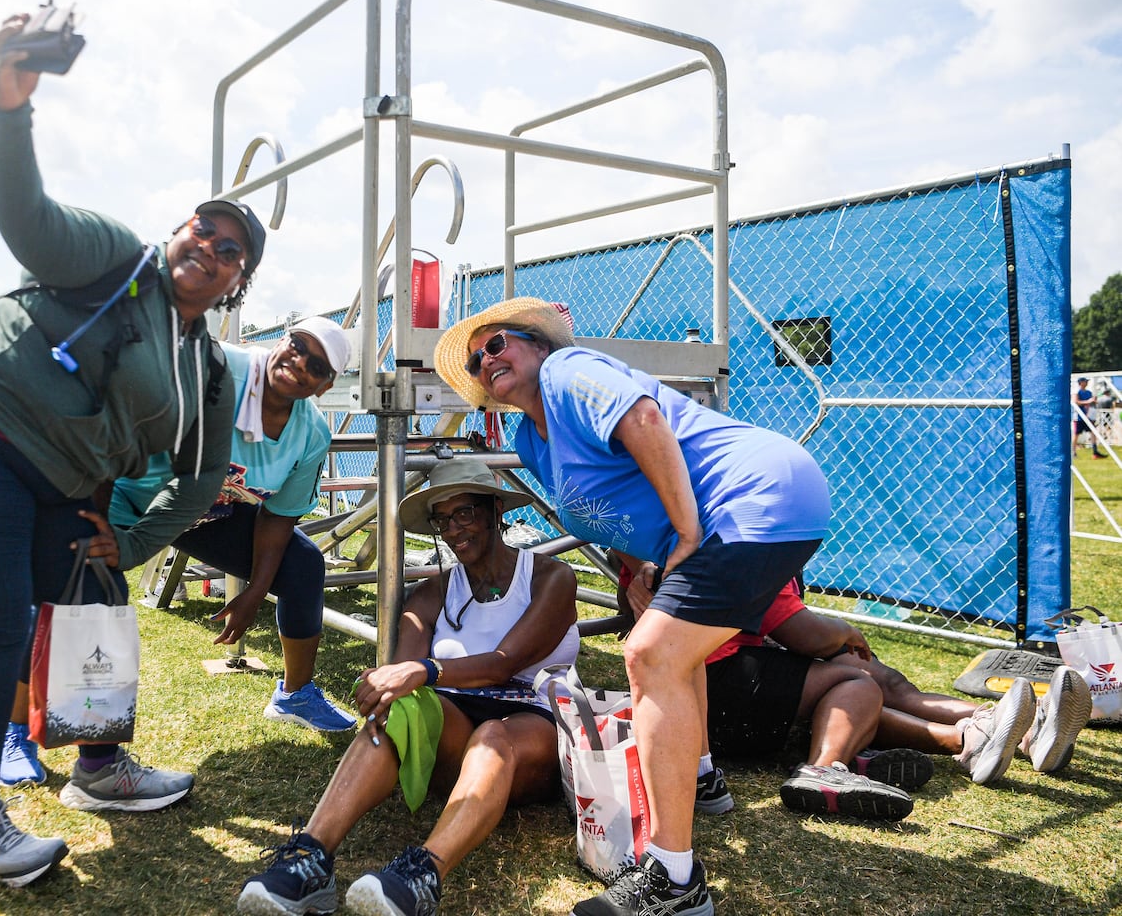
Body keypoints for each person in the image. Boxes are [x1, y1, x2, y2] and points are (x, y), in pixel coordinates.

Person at [0, 10, 266, 889]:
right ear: (179, 229)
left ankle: (98, 766)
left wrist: (138, 537)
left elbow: (200, 478)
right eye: (202, 227)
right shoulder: (118, 262)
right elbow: (25, 211)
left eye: (230, 248)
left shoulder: (210, 367)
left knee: (95, 580)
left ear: (240, 280)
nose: (209, 245)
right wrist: (10, 101)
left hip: (42, 476)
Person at [434, 298, 831, 916]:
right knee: (673, 649)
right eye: (475, 360)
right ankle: (700, 778)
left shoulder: (570, 373)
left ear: (538, 344)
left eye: (497, 343)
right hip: (737, 514)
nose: (486, 361)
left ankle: (673, 880)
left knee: (649, 656)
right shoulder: (530, 439)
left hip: (754, 496)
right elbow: (611, 502)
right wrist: (649, 562)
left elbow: (645, 421)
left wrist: (687, 534)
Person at [0, 315, 359, 789]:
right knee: (72, 585)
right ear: (281, 340)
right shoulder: (217, 369)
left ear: (325, 385)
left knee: (303, 563)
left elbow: (277, 517)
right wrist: (99, 524)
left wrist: (254, 593)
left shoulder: (310, 434)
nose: (298, 362)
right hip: (125, 489)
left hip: (201, 512)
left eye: (316, 365)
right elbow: (117, 424)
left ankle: (295, 695)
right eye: (296, 345)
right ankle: (14, 729)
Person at [236, 457, 580, 916]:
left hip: (530, 723)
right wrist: (386, 686)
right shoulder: (433, 592)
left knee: (492, 737)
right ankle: (309, 859)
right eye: (443, 520)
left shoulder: (551, 578)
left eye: (466, 513)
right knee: (396, 711)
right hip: (456, 723)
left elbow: (505, 663)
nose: (455, 530)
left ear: (495, 510)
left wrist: (424, 671)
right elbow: (403, 672)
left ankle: (423, 875)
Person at [700, 579, 1091, 820]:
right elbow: (798, 630)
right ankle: (977, 736)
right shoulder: (754, 540)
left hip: (761, 656)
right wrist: (842, 631)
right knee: (855, 688)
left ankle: (1020, 730)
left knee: (882, 681)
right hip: (742, 671)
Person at [1075, 377, 1102, 458]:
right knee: (1076, 435)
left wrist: (1093, 402)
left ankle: (1095, 451)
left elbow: (1091, 404)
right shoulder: (1076, 392)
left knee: (1093, 433)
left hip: (1088, 416)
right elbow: (1076, 402)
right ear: (1081, 382)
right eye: (1085, 381)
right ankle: (1073, 452)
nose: (1087, 383)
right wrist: (1088, 401)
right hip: (1079, 417)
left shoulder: (1089, 392)